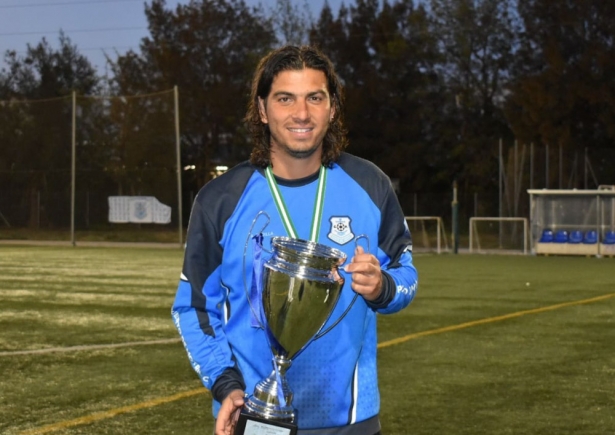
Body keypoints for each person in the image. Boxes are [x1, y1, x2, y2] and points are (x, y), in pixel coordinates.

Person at [172, 45, 418, 435]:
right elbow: (194, 308)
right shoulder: (220, 199)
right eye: (285, 98)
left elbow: (407, 275)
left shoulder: (370, 185)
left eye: (314, 98)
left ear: (332, 107)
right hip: (252, 416)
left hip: (350, 421)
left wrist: (382, 286)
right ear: (263, 109)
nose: (301, 114)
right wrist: (226, 385)